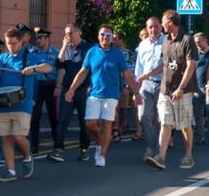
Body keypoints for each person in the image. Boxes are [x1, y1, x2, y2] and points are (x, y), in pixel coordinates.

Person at [65, 24, 141, 167]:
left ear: (112, 38)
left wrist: (136, 93)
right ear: (98, 36)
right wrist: (71, 89)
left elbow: (127, 75)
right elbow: (83, 72)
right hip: (94, 93)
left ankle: (101, 156)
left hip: (111, 95)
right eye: (102, 34)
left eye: (108, 35)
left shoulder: (118, 54)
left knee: (107, 124)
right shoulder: (92, 52)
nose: (105, 37)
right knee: (90, 124)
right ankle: (100, 141)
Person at [0, 27, 53, 182]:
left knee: (18, 136)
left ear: (21, 42)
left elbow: (49, 67)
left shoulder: (30, 56)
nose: (11, 47)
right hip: (3, 103)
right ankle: (11, 171)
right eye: (8, 43)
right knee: (6, 139)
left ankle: (27, 157)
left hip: (22, 104)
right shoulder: (3, 58)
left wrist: (33, 68)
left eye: (14, 43)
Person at [146, 10, 198, 170]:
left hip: (183, 90)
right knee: (166, 123)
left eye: (162, 22)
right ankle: (160, 157)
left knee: (184, 125)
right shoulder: (166, 41)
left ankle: (188, 156)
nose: (161, 25)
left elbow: (191, 66)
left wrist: (181, 88)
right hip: (165, 90)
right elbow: (165, 65)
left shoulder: (187, 40)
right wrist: (147, 75)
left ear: (170, 22)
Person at [48, 24, 91, 163]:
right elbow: (59, 65)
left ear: (79, 32)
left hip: (83, 89)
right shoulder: (67, 49)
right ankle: (59, 149)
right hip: (67, 89)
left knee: (84, 121)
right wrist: (63, 46)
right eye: (66, 34)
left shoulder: (88, 48)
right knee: (63, 119)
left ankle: (84, 149)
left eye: (71, 33)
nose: (68, 36)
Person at [135, 17, 165, 161]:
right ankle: (151, 145)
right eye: (150, 27)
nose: (153, 30)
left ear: (161, 27)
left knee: (161, 118)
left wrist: (148, 74)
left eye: (156, 26)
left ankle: (160, 150)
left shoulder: (167, 42)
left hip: (163, 84)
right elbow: (138, 69)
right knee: (143, 116)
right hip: (146, 85)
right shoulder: (143, 45)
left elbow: (167, 64)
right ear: (147, 28)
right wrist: (136, 91)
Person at [29, 28, 59, 154]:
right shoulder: (32, 52)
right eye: (37, 38)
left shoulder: (56, 53)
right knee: (35, 117)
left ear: (47, 39)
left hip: (51, 86)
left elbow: (60, 71)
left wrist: (59, 87)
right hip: (37, 86)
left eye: (40, 38)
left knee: (53, 116)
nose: (38, 41)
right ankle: (34, 146)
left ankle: (57, 144)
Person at [192, 32, 209, 147]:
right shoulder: (194, 54)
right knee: (198, 114)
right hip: (197, 87)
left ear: (205, 40)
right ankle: (200, 137)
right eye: (196, 43)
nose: (198, 44)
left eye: (199, 42)